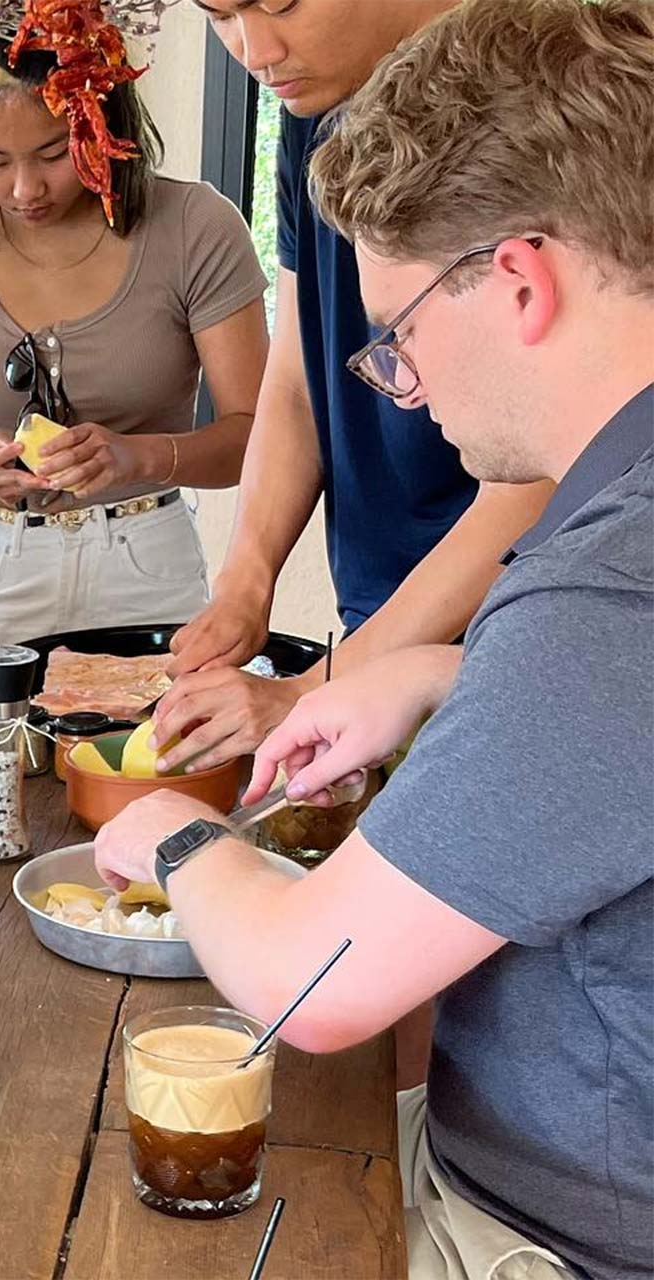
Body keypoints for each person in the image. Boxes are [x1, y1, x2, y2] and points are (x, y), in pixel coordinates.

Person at [95, 4, 654, 1275]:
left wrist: (173, 839)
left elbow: (313, 983)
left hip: (554, 1233)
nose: (399, 385)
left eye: (395, 337)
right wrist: (435, 673)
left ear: (519, 281)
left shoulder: (612, 586)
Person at [150, 0, 555, 774]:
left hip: (523, 630)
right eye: (221, 14)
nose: (255, 49)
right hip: (377, 617)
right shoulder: (314, 112)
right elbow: (301, 375)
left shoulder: (525, 108)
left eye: (279, 4)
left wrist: (312, 689)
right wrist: (245, 579)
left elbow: (535, 477)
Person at [0, 25, 270, 654]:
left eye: (52, 152)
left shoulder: (196, 229)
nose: (24, 189)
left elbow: (256, 437)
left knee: (154, 749)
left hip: (147, 564)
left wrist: (138, 457)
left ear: (101, 117)